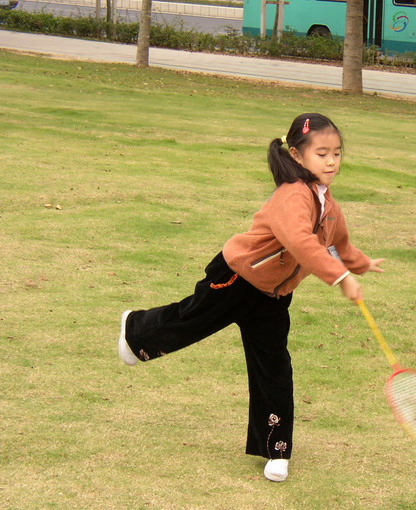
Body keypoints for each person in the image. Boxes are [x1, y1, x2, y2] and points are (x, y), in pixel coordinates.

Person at [117, 113, 385, 482]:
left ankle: (276, 450)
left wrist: (360, 263)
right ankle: (136, 330)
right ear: (296, 155)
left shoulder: (329, 205)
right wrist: (339, 277)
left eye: (337, 153)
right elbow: (302, 243)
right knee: (190, 321)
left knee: (273, 367)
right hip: (237, 278)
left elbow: (339, 243)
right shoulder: (293, 197)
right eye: (322, 153)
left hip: (273, 297)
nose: (331, 161)